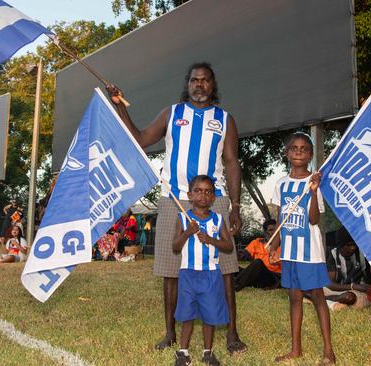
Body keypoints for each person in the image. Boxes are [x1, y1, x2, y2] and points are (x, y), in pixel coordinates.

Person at [107, 62, 246, 353]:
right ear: (188, 84)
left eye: (205, 80)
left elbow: (232, 162)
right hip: (175, 197)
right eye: (194, 80)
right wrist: (120, 106)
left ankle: (231, 333)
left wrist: (235, 205)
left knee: (225, 270)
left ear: (212, 85)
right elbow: (141, 139)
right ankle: (170, 332)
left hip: (216, 198)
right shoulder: (172, 113)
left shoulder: (225, 119)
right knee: (171, 270)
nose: (199, 85)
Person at [268, 133, 335, 364]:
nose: (298, 152)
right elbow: (280, 221)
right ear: (287, 153)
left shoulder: (314, 183)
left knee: (317, 296)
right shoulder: (281, 184)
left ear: (310, 155)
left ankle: (328, 351)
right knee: (294, 296)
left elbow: (315, 220)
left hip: (309, 251)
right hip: (289, 252)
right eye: (294, 148)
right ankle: (296, 349)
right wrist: (274, 246)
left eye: (304, 149)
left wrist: (314, 192)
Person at [172, 175, 232, 366]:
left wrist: (211, 240)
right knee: (187, 314)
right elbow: (175, 246)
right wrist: (189, 232)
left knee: (209, 314)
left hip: (211, 274)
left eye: (208, 191)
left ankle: (208, 352)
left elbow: (228, 246)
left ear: (213, 197)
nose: (203, 195)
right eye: (198, 191)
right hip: (188, 273)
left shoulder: (219, 219)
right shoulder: (183, 218)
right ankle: (183, 352)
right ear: (190, 195)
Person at [324, 226, 371, 311]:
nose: (353, 248)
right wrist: (352, 286)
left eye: (354, 244)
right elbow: (330, 284)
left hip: (355, 293)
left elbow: (367, 282)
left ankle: (322, 300)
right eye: (349, 245)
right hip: (338, 289)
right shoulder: (333, 254)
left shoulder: (362, 254)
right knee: (312, 289)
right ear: (340, 245)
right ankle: (325, 299)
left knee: (349, 297)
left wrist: (360, 287)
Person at [235, 219, 281, 291]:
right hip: (256, 275)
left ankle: (236, 285)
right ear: (265, 232)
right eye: (271, 230)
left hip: (271, 277)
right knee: (234, 268)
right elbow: (244, 255)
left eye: (276, 230)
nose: (274, 232)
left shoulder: (283, 246)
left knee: (258, 262)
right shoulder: (257, 242)